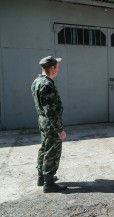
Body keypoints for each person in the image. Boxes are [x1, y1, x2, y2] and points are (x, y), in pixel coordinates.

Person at [31, 56, 67, 193]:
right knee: (52, 151)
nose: (58, 69)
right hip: (50, 122)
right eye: (57, 66)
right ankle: (49, 183)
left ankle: (42, 177)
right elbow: (51, 111)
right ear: (52, 68)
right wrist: (59, 130)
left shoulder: (36, 81)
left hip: (42, 120)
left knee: (44, 147)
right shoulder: (46, 85)